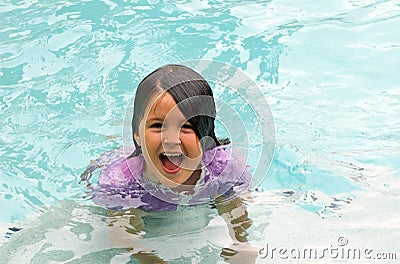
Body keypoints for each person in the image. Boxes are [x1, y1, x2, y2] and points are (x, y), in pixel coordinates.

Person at [81, 64, 258, 263]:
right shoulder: (123, 183)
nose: (171, 139)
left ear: (205, 135)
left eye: (187, 126)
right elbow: (123, 237)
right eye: (158, 125)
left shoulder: (223, 169)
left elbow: (234, 208)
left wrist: (241, 243)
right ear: (137, 134)